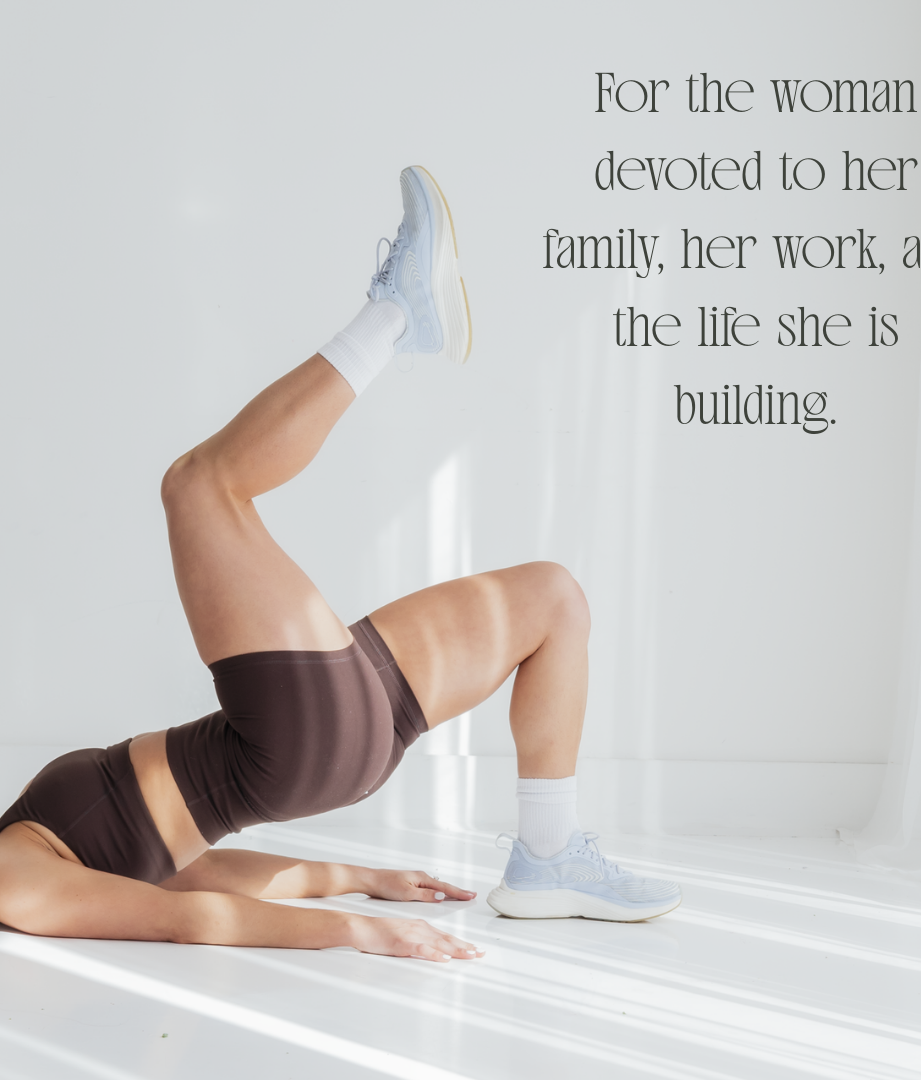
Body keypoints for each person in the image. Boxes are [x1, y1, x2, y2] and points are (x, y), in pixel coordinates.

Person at [0, 167, 681, 963]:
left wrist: (355, 877)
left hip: (327, 738)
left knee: (553, 601)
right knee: (199, 488)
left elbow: (192, 878)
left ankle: (548, 855)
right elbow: (185, 921)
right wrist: (356, 930)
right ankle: (396, 314)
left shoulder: (26, 847)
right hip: (291, 736)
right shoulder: (13, 884)